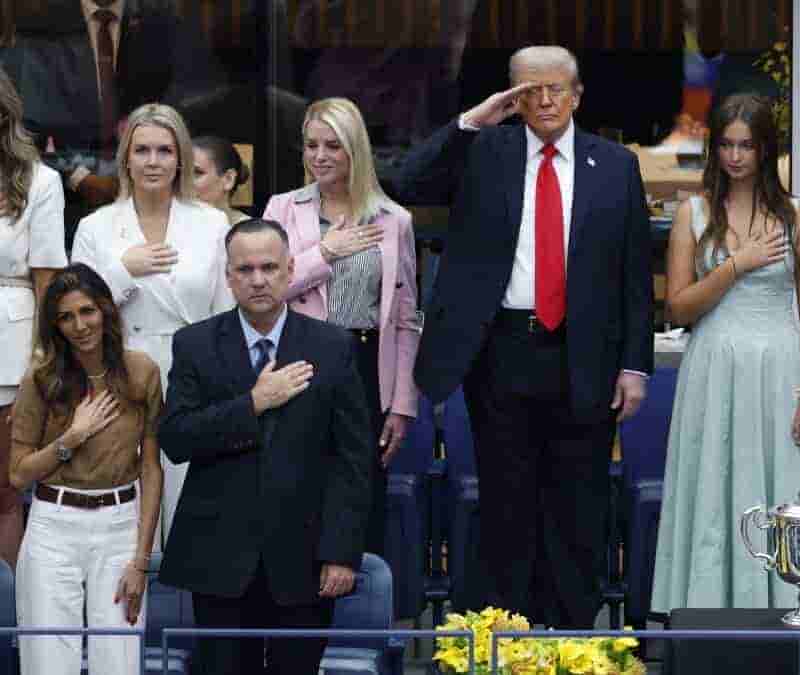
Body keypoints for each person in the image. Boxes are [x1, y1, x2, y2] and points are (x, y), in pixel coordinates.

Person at [396, 45, 653, 628]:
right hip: (501, 350)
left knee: (578, 503)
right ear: (512, 97)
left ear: (577, 95)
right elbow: (407, 180)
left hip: (584, 354)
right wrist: (474, 120)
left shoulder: (615, 165)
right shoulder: (485, 150)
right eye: (530, 91)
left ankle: (572, 640)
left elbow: (635, 274)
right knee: (505, 504)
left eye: (556, 89)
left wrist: (635, 365)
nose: (545, 101)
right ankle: (503, 639)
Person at [650, 93, 800, 610]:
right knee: (713, 488)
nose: (735, 156)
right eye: (726, 145)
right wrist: (737, 265)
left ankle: (792, 609)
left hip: (780, 369)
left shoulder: (799, 217)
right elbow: (678, 308)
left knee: (782, 485)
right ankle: (708, 610)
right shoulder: (692, 213)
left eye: (747, 146)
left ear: (765, 150)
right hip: (713, 366)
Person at [158, 218, 373, 675]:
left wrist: (341, 552)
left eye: (269, 267)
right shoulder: (194, 343)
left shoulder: (332, 345)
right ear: (228, 276)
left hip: (305, 558)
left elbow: (353, 459)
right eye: (246, 269)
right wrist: (252, 404)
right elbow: (175, 437)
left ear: (290, 269)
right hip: (218, 559)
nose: (258, 280)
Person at [71, 102, 235, 548]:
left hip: (194, 374)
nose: (153, 161)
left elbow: (225, 312)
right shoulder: (96, 226)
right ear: (125, 158)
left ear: (180, 158)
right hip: (119, 375)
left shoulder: (212, 223)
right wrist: (123, 271)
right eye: (142, 150)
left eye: (165, 150)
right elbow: (73, 313)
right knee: (125, 511)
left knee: (188, 505)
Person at [263, 97, 419, 557]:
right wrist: (325, 253)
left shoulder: (394, 219)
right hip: (300, 361)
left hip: (367, 363)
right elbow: (264, 290)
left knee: (361, 488)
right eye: (311, 145)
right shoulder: (282, 208)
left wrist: (402, 404)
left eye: (333, 145)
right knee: (300, 488)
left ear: (356, 150)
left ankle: (361, 596)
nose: (319, 156)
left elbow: (406, 317)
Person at [10, 262, 162, 675]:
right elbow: (18, 474)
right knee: (47, 662)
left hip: (119, 524)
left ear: (106, 310)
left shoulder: (142, 372)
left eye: (87, 311)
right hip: (53, 526)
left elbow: (151, 470)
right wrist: (72, 438)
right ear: (54, 325)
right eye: (65, 317)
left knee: (119, 660)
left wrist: (141, 561)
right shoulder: (41, 379)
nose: (79, 325)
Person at [0, 0, 225, 247]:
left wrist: (143, 168)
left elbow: (188, 100)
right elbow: (28, 122)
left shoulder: (160, 22)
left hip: (156, 202)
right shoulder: (46, 25)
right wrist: (78, 177)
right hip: (64, 202)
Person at [0, 69, 67, 570]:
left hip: (10, 353)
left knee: (5, 493)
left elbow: (48, 281)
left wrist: (42, 361)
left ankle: (10, 613)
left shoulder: (42, 181)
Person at [193, 135, 251, 225]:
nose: (184, 181)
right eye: (181, 173)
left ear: (228, 179)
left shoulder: (251, 230)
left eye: (197, 173)